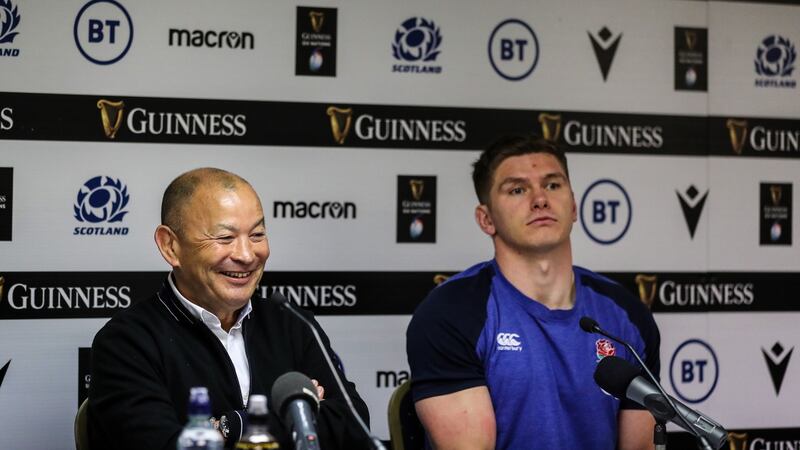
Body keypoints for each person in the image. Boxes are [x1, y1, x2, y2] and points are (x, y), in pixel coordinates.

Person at [406, 135, 660, 450]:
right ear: (486, 219)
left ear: (574, 206)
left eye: (553, 185)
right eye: (517, 189)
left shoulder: (626, 315)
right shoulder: (450, 313)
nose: (540, 199)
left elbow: (638, 448)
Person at [88, 167, 371, 450]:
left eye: (257, 234)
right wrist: (296, 417)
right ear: (171, 246)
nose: (247, 255)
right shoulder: (127, 342)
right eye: (225, 238)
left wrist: (231, 427)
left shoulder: (291, 323)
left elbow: (354, 426)